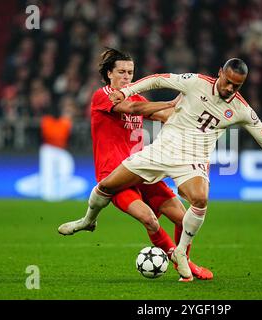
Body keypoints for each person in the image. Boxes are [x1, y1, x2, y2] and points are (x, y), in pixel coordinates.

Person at [100, 58, 262, 281]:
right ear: (220, 72)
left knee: (198, 200)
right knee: (124, 196)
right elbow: (158, 80)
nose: (229, 88)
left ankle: (182, 255)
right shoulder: (195, 82)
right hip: (164, 150)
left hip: (193, 160)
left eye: (236, 86)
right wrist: (126, 91)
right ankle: (91, 217)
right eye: (227, 81)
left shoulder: (241, 110)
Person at [57, 48, 213, 280]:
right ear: (109, 73)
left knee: (183, 218)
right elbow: (132, 109)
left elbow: (164, 116)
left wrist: (196, 117)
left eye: (130, 72)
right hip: (116, 174)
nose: (127, 77)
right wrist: (170, 102)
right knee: (149, 219)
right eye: (121, 71)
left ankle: (184, 260)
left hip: (143, 170)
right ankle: (179, 260)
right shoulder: (103, 95)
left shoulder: (138, 97)